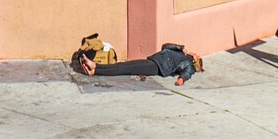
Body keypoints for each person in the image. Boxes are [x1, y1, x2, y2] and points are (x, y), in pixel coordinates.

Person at [72, 43, 204, 84]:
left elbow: (186, 74)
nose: (195, 53)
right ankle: (94, 69)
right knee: (124, 66)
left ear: (196, 60)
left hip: (156, 67)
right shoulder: (181, 53)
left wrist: (180, 80)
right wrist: (180, 47)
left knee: (123, 67)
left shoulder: (189, 64)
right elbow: (165, 46)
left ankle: (95, 67)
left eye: (197, 56)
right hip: (153, 61)